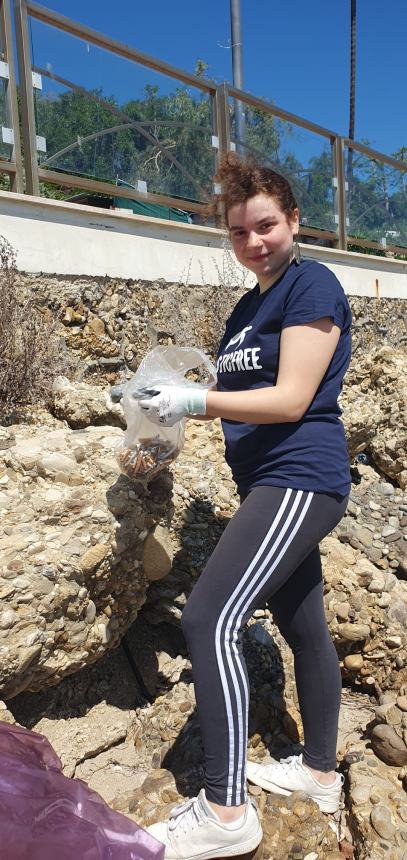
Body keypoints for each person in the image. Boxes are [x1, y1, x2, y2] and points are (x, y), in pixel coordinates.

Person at [140, 154, 352, 860]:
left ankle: (225, 814)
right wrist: (164, 412)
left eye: (265, 225)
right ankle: (319, 772)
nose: (253, 241)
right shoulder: (245, 309)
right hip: (264, 481)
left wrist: (196, 403)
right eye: (238, 232)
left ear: (293, 221)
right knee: (302, 625)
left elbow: (290, 398)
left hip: (298, 476)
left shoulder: (309, 285)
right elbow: (228, 387)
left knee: (209, 616)